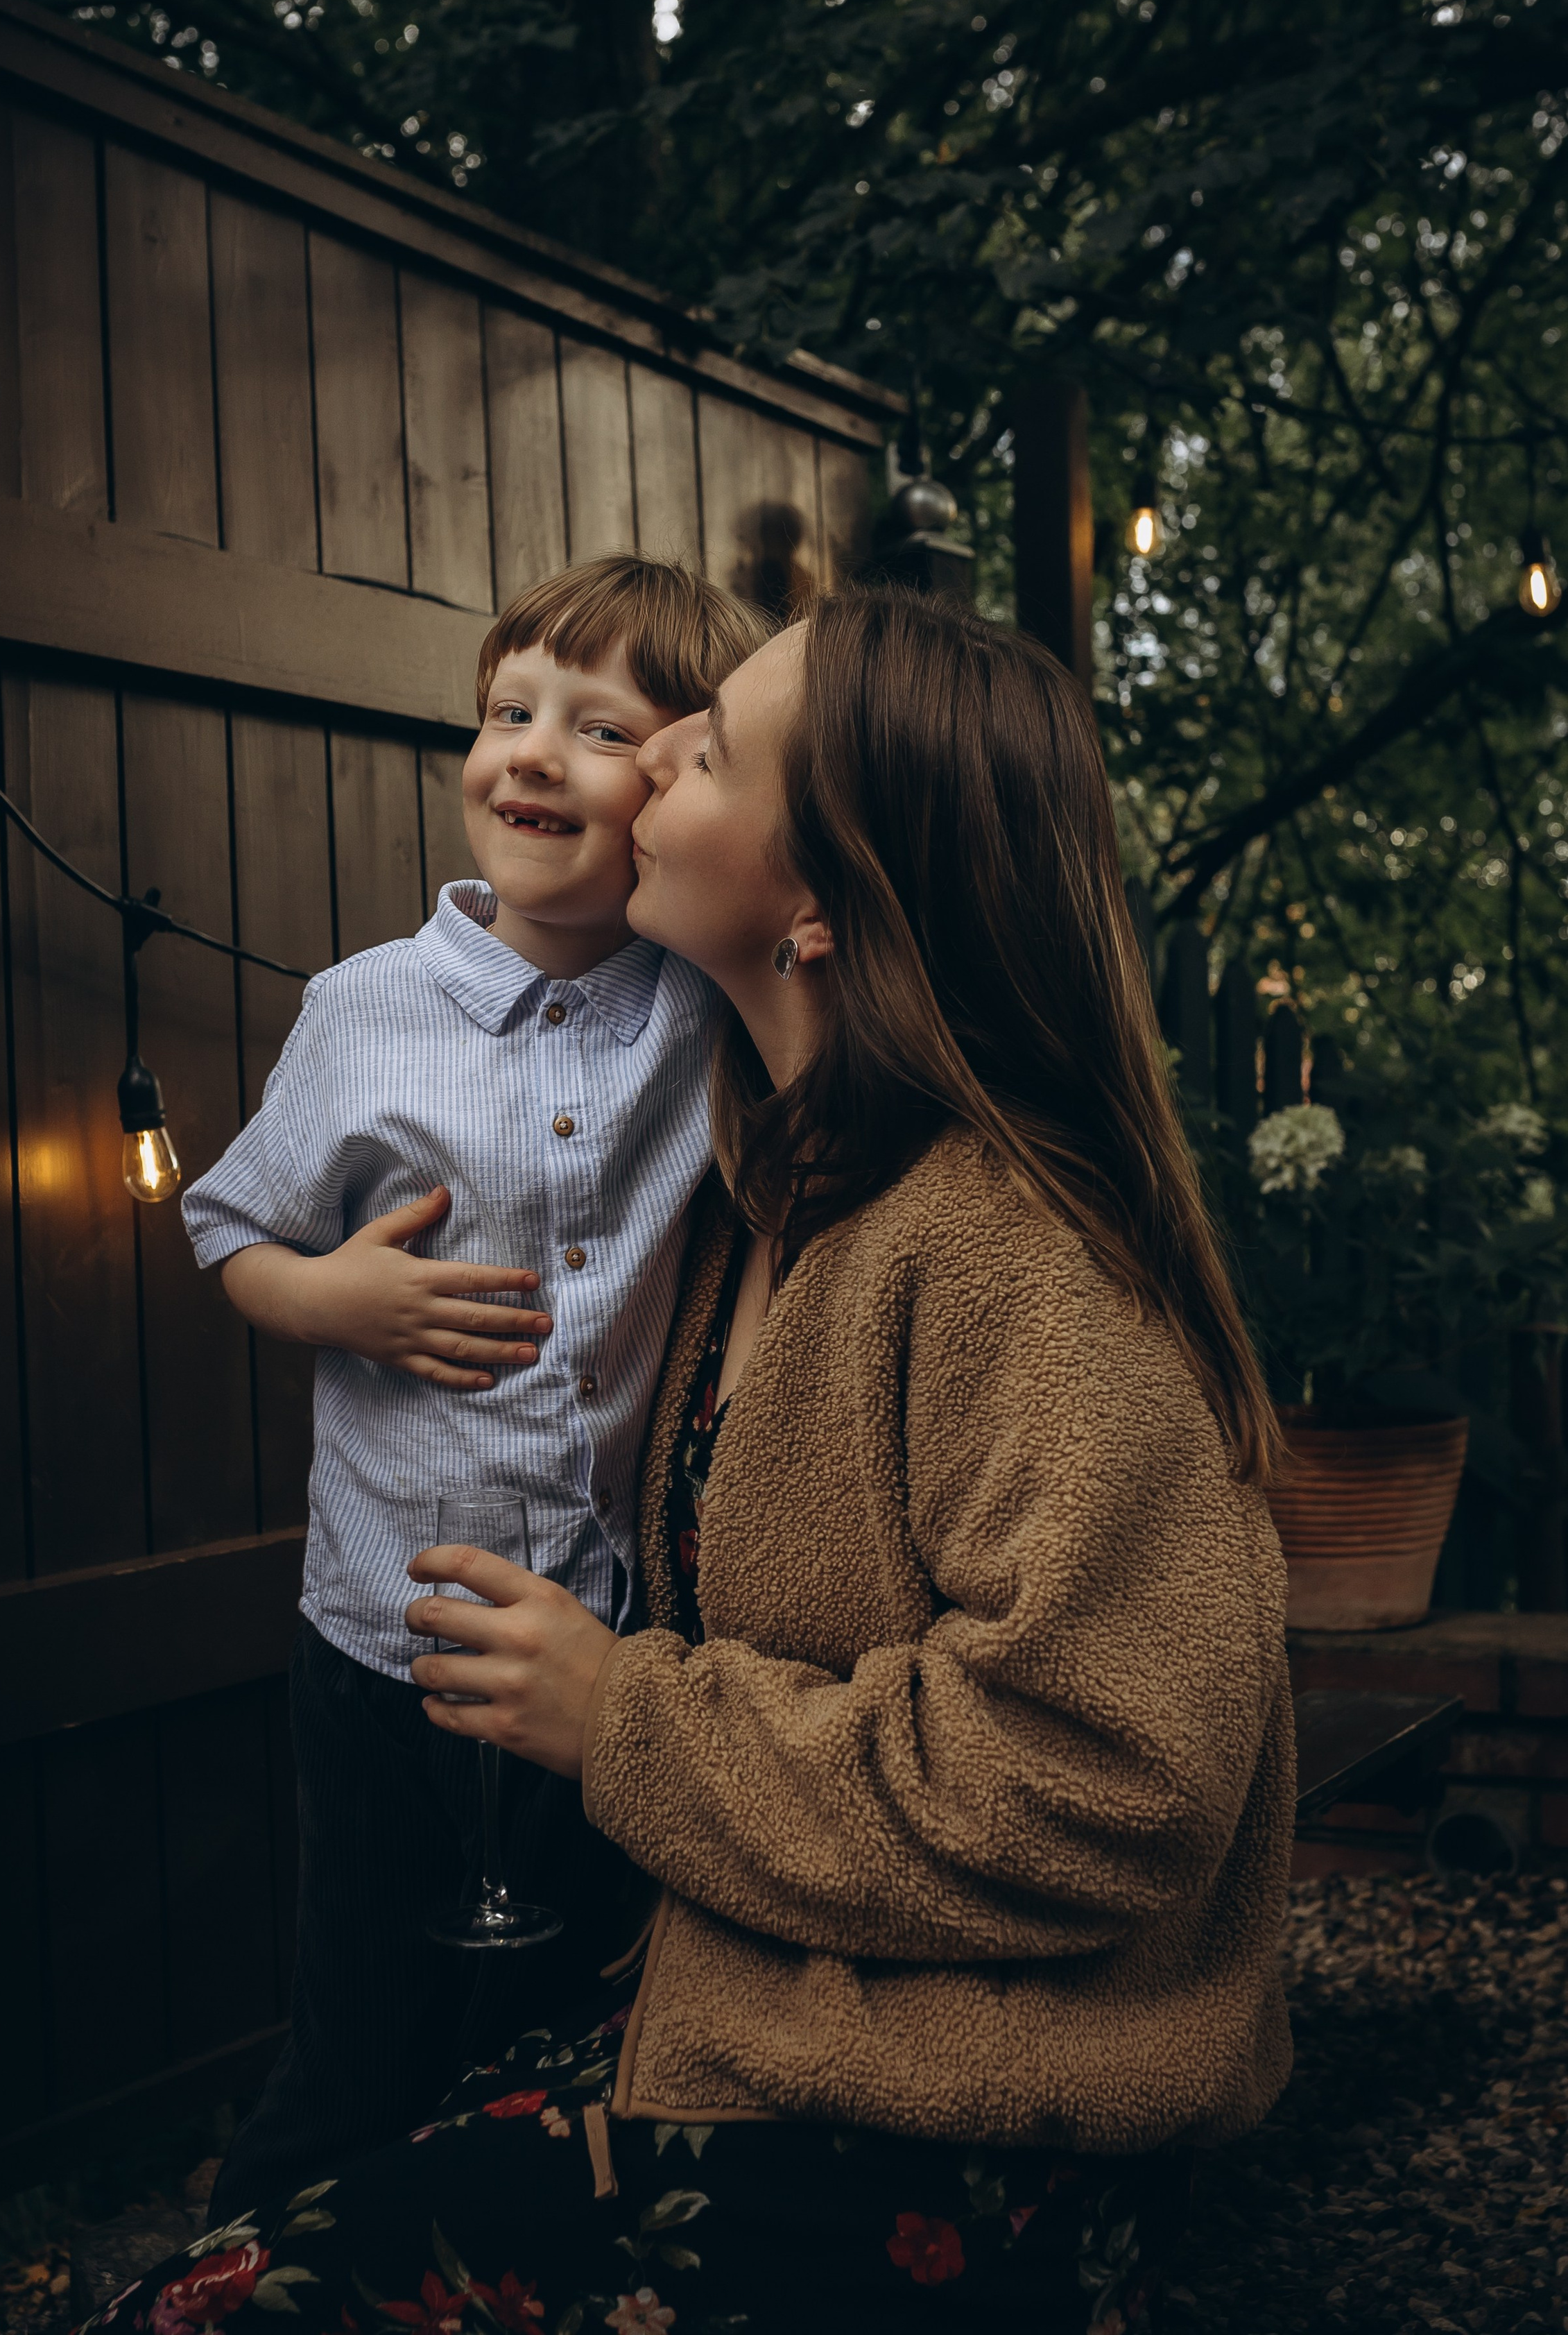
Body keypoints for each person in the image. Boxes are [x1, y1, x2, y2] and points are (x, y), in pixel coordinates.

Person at [98, 588, 1294, 2335]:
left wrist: (624, 1715)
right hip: (766, 1989)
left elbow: (1113, 1776)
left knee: (204, 2313)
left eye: (705, 741)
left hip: (953, 2105)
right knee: (285, 2186)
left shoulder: (1008, 1257)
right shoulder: (759, 1186)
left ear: (817, 903)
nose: (639, 752)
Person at [180, 555, 771, 2223]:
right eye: (506, 710)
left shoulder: (698, 1004)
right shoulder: (362, 1010)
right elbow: (224, 1220)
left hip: (608, 1636)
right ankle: (244, 2279)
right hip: (389, 1632)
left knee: (547, 2031)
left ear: (673, 786)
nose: (526, 752)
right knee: (361, 2036)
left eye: (597, 728)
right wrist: (331, 1294)